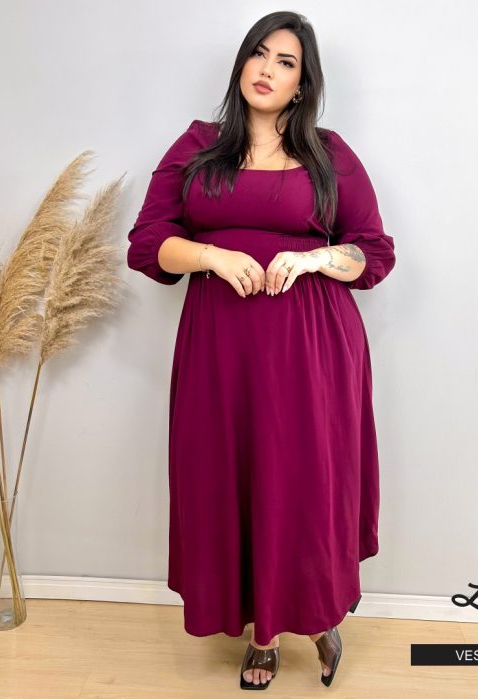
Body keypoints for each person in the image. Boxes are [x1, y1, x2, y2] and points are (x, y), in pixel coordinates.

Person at [127, 10, 396, 691]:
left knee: (305, 485)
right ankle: (263, 632)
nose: (267, 69)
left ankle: (319, 613)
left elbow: (373, 252)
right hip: (220, 352)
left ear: (303, 84)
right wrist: (212, 255)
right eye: (259, 53)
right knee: (231, 481)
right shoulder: (197, 146)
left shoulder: (328, 154)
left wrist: (311, 259)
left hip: (312, 350)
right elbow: (147, 242)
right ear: (241, 63)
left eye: (286, 62)